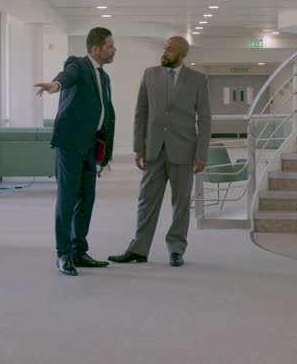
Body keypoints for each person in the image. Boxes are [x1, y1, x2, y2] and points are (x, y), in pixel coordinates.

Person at [109, 36, 211, 267]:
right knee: (146, 200)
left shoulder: (198, 79)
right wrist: (139, 147)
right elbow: (141, 113)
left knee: (181, 203)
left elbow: (205, 118)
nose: (164, 52)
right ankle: (138, 249)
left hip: (184, 151)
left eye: (170, 49)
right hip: (154, 150)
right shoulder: (150, 74)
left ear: (182, 54)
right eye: (164, 48)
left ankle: (176, 249)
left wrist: (202, 152)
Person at [34, 27, 116, 276]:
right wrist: (56, 85)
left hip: (91, 145)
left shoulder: (104, 77)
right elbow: (66, 76)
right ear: (96, 49)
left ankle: (79, 250)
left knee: (86, 199)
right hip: (70, 143)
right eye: (110, 46)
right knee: (68, 198)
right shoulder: (78, 65)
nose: (114, 50)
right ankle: (63, 253)